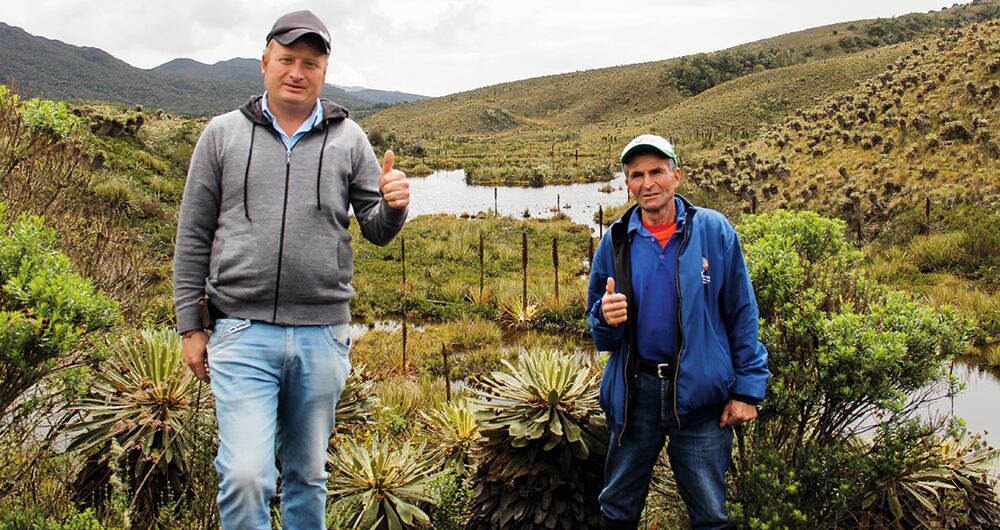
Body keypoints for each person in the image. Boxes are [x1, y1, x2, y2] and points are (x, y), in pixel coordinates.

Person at [173, 10, 409, 529]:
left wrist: (392, 205)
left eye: (310, 62)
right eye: (287, 60)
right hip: (240, 331)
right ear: (265, 63)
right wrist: (191, 327)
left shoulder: (349, 139)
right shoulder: (221, 135)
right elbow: (192, 235)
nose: (297, 72)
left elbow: (375, 227)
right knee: (245, 476)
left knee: (307, 476)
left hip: (321, 335)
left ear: (324, 71)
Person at [587, 134, 769, 530]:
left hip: (699, 397)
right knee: (618, 507)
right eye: (637, 175)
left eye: (657, 171)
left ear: (677, 176)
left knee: (710, 513)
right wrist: (606, 318)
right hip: (636, 394)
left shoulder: (714, 231)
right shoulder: (615, 242)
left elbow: (741, 312)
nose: (647, 183)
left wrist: (747, 391)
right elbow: (601, 335)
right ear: (628, 184)